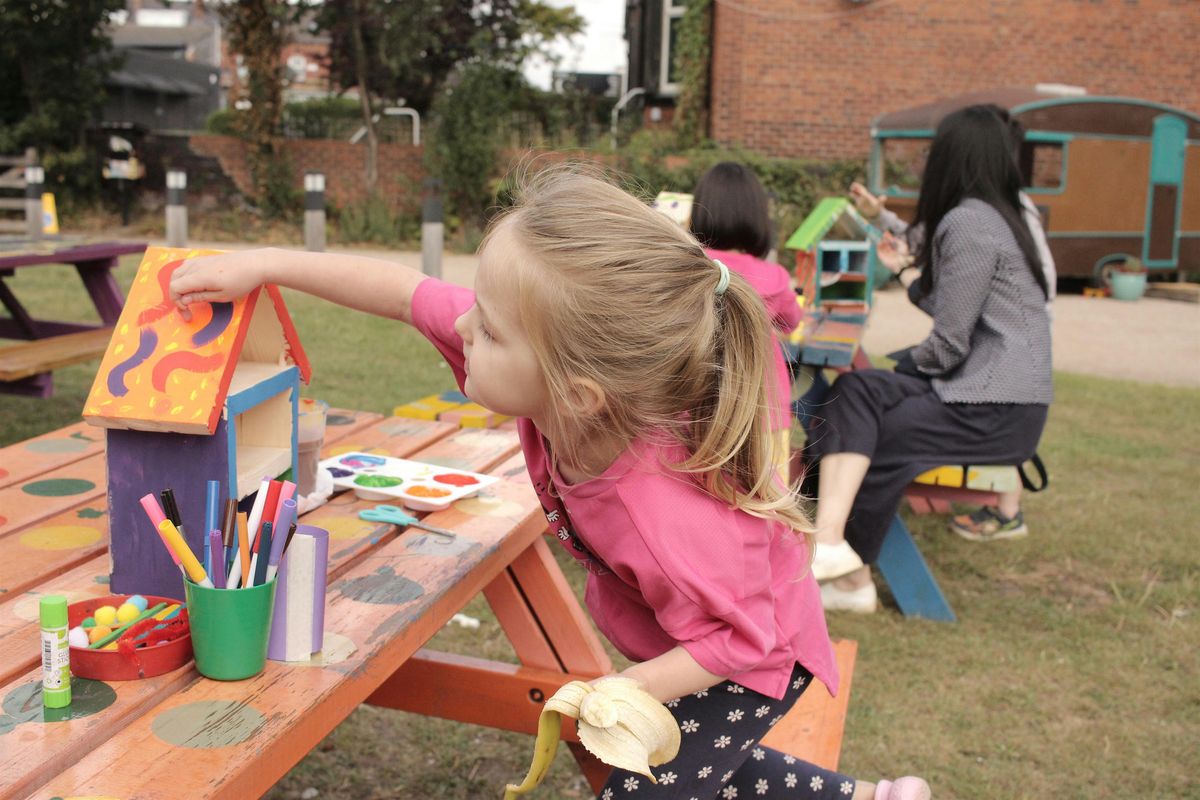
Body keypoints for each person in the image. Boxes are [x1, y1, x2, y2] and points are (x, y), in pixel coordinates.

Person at [168, 167, 929, 799]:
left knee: (643, 774)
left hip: (754, 654)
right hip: (700, 630)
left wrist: (620, 691)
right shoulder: (545, 360)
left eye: (489, 328)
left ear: (578, 394)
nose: (465, 326)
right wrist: (267, 264)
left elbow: (741, 638)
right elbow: (403, 292)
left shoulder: (660, 508)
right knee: (697, 769)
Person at [808, 105, 1053, 612]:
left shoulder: (971, 223)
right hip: (996, 401)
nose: (925, 162)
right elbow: (933, 258)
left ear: (952, 157)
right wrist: (886, 226)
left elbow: (948, 343)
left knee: (868, 422)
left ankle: (846, 572)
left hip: (991, 410)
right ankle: (830, 549)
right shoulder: (1001, 214)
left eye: (931, 152)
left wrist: (905, 359)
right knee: (855, 392)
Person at [691, 162, 802, 476]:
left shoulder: (691, 269)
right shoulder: (774, 277)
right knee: (768, 497)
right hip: (765, 408)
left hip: (701, 406)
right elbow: (792, 321)